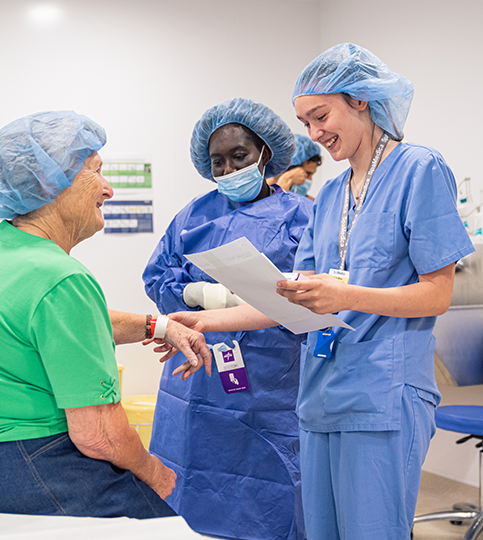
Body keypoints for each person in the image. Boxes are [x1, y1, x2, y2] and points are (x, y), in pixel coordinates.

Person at [163, 44, 475, 540]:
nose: (314, 134)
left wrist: (345, 297)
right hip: (320, 393)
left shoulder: (419, 169)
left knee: (372, 530)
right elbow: (291, 297)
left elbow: (436, 295)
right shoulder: (330, 193)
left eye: (321, 115)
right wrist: (202, 321)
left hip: (382, 394)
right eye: (304, 122)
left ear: (362, 101)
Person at [0, 111, 211, 517]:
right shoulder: (62, 278)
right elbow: (99, 436)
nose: (109, 189)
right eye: (97, 172)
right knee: (160, 516)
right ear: (52, 183)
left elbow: (61, 324)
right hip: (26, 464)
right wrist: (156, 475)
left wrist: (160, 325)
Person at [142, 98, 311, 540]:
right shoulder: (193, 216)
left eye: (240, 156)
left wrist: (260, 297)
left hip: (273, 381)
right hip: (198, 374)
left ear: (265, 153)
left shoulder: (302, 216)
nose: (229, 169)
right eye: (218, 161)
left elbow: (314, 288)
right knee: (192, 480)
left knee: (273, 490)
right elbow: (158, 275)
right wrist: (203, 293)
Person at [267, 134, 322, 199]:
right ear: (286, 168)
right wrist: (287, 179)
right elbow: (273, 206)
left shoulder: (304, 200)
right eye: (307, 174)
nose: (310, 180)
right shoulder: (256, 195)